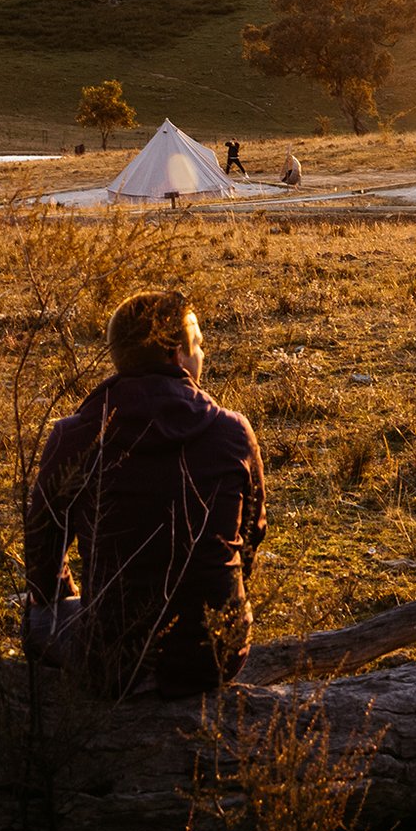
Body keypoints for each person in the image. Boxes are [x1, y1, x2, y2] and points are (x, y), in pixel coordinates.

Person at [22, 291, 267, 696]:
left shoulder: (76, 435)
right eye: (199, 344)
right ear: (176, 354)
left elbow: (42, 550)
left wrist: (64, 596)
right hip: (216, 654)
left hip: (113, 657)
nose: (203, 354)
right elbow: (251, 537)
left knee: (35, 618)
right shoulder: (233, 432)